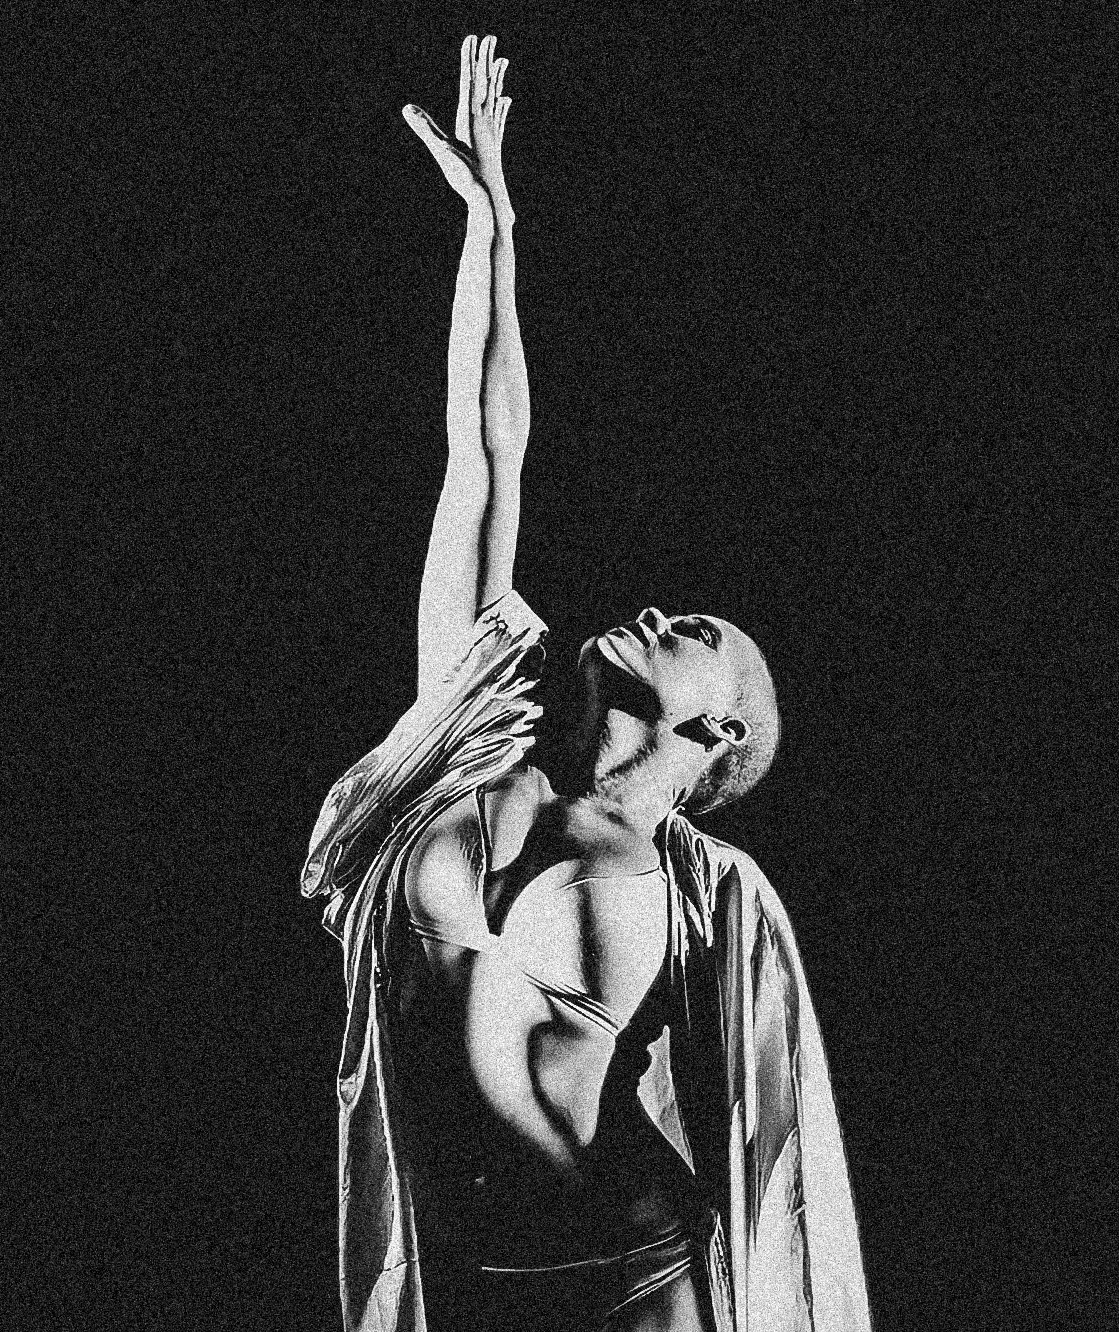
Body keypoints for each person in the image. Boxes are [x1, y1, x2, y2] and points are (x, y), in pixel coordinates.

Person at [301, 35, 872, 1332]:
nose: (660, 612)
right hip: (475, 1292)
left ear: (719, 726)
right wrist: (490, 231)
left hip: (638, 1285)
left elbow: (770, 1147)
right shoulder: (476, 743)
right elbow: (482, 453)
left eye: (696, 629)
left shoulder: (697, 897)